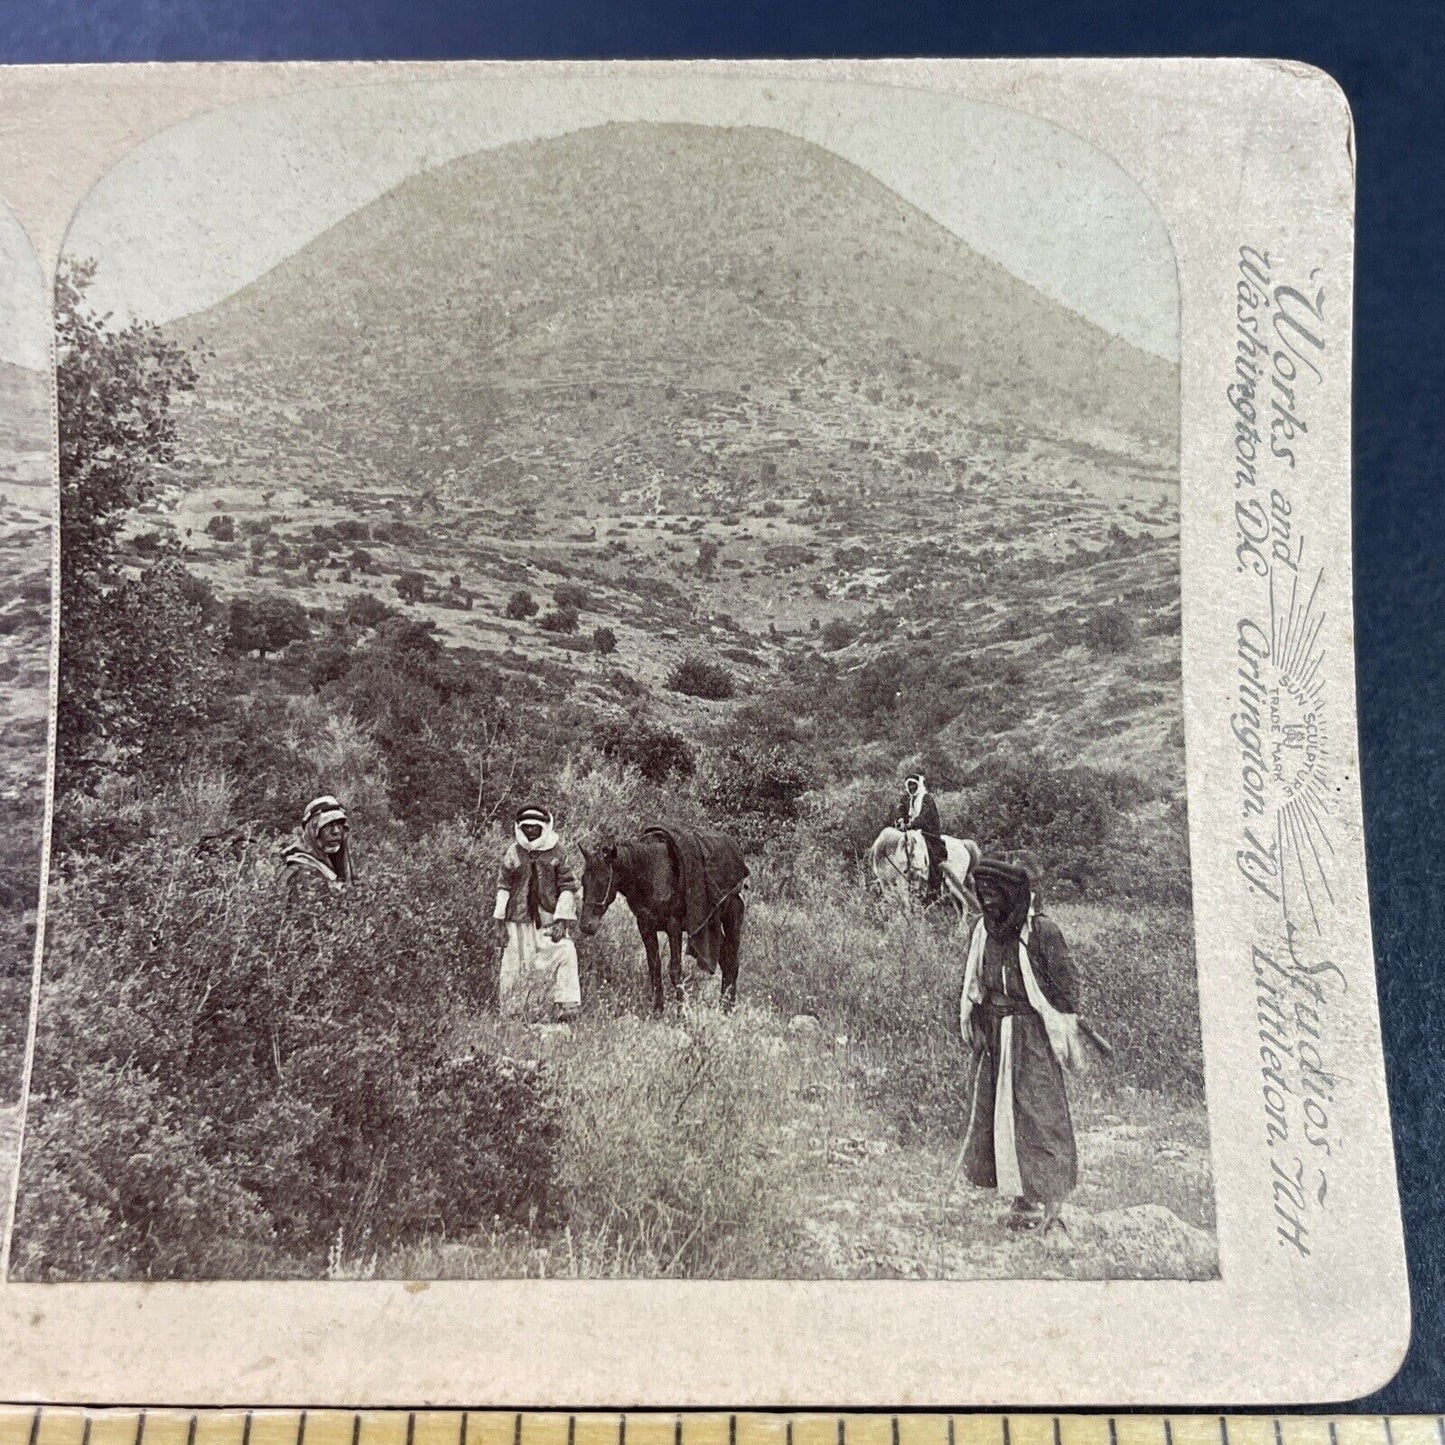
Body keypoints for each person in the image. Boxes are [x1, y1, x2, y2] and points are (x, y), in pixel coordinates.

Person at [958, 857, 1084, 1234]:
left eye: (996, 894)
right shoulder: (984, 929)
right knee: (998, 1116)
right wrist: (977, 1019)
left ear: (1012, 894)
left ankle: (1052, 1200)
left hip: (1031, 1036)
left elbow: (1066, 989)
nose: (989, 902)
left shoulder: (1042, 931)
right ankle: (1021, 1198)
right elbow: (976, 982)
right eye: (983, 895)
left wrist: (1059, 1023)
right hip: (996, 1034)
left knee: (1038, 1114)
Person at [493, 804, 583, 1023]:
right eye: (526, 827)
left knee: (565, 952)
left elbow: (568, 886)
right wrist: (499, 923)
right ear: (519, 828)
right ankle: (515, 1013)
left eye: (535, 827)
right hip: (518, 920)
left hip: (548, 919)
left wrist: (562, 921)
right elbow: (503, 886)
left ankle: (567, 1007)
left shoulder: (557, 851)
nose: (531, 832)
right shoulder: (513, 852)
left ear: (544, 827)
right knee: (516, 962)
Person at [280, 795, 355, 895]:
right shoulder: (300, 869)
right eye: (328, 825)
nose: (336, 831)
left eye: (339, 824)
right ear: (313, 830)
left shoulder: (330, 860)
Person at [896, 773, 946, 904]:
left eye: (914, 785)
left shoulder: (926, 798)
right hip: (910, 832)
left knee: (932, 855)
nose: (912, 787)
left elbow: (925, 816)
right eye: (909, 785)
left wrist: (911, 824)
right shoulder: (906, 798)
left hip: (926, 833)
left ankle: (933, 888)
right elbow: (900, 808)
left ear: (918, 785)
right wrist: (901, 820)